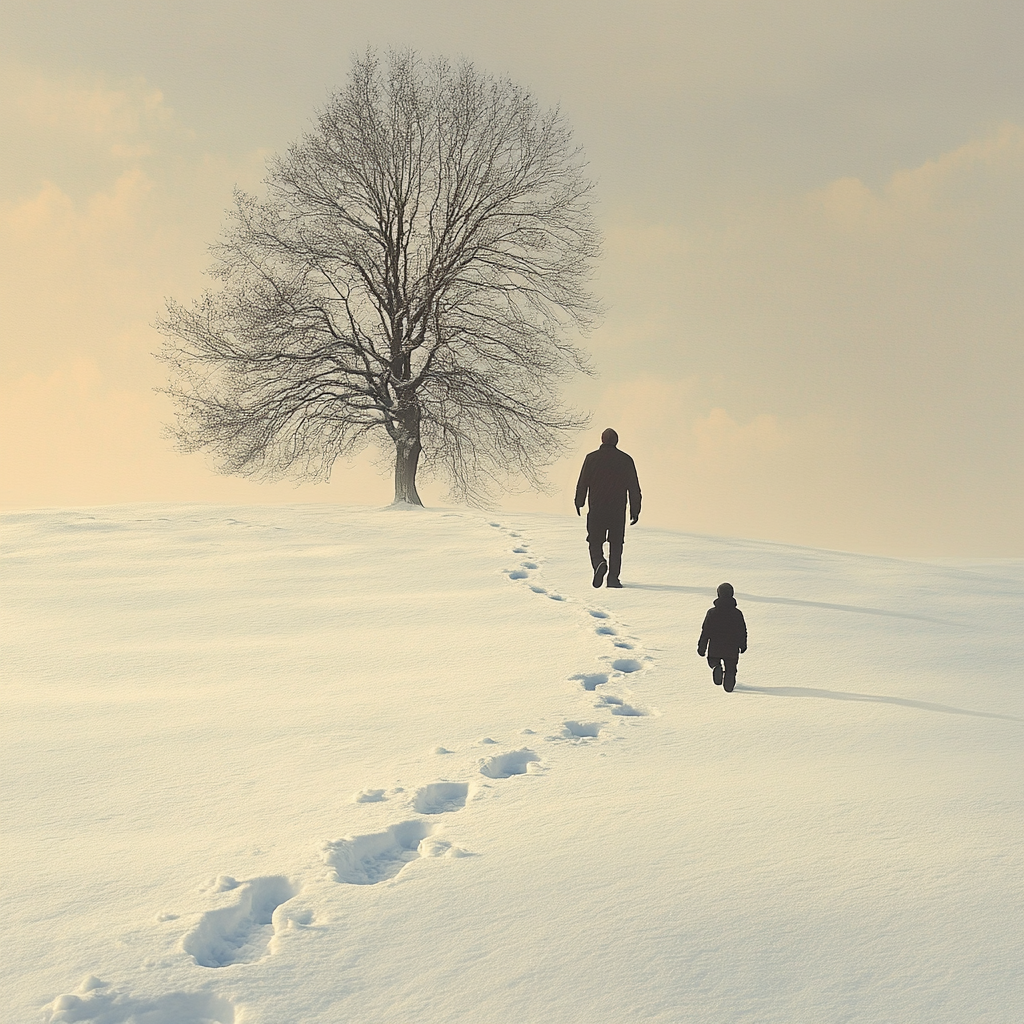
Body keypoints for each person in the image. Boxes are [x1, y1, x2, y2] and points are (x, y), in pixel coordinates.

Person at [574, 428, 642, 588]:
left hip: (597, 509)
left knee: (594, 541)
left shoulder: (591, 459)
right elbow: (634, 487)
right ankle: (613, 579)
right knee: (616, 544)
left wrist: (579, 501)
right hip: (617, 511)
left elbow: (583, 482)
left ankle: (598, 562)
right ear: (616, 441)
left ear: (602, 440)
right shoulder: (626, 460)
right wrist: (635, 509)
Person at [697, 583, 748, 692]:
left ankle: (716, 667)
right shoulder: (737, 613)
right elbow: (742, 631)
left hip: (715, 646)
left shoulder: (712, 613)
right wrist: (743, 645)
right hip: (732, 647)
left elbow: (705, 631)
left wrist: (702, 647)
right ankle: (729, 680)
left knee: (713, 660)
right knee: (731, 667)